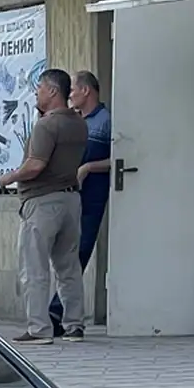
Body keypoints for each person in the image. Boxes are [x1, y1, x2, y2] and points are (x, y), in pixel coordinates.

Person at [0, 68, 87, 342]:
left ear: (52, 91)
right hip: (71, 199)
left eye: (39, 88)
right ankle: (74, 325)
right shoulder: (78, 123)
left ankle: (39, 328)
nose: (36, 93)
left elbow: (35, 165)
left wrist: (9, 177)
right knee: (68, 267)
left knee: (34, 267)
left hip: (42, 201)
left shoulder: (46, 125)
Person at [49, 70, 113, 334]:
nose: (70, 95)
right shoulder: (73, 122)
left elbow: (120, 159)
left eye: (73, 89)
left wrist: (88, 167)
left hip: (93, 197)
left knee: (80, 251)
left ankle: (59, 312)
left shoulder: (106, 121)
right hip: (67, 195)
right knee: (63, 252)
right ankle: (58, 312)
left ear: (86, 90)